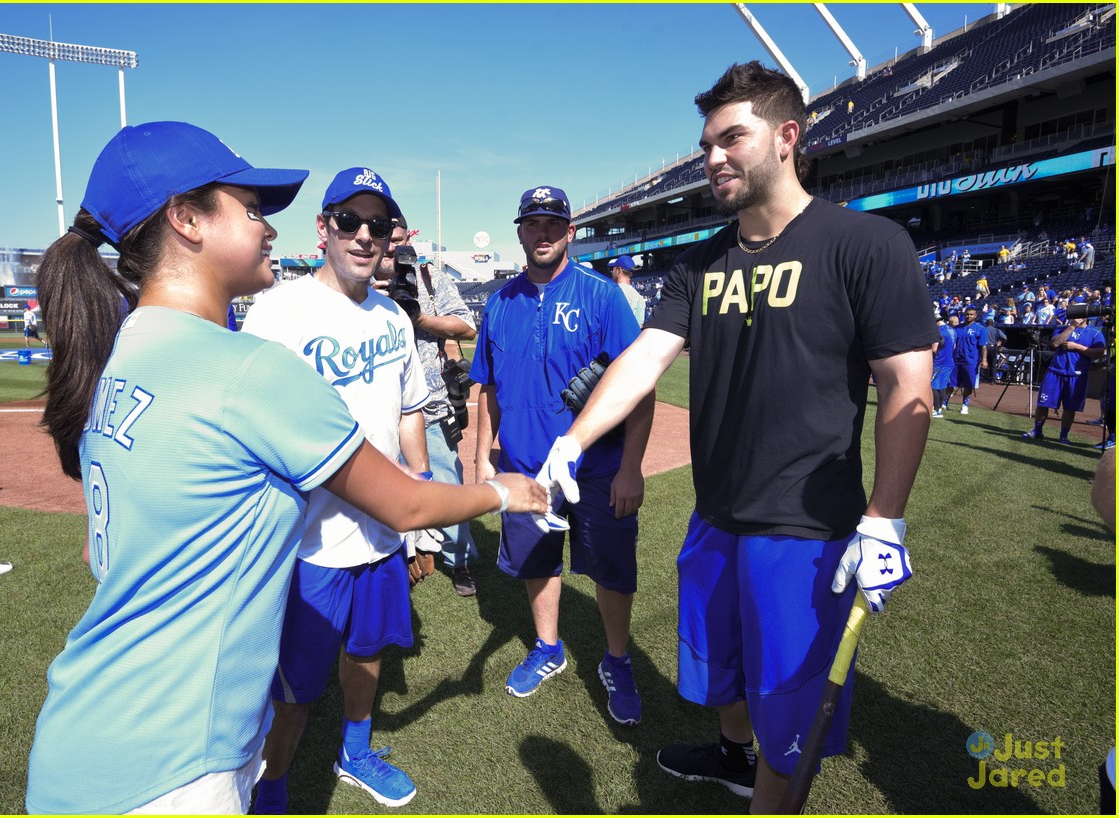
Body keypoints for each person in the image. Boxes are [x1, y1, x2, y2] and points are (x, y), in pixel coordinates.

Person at [25, 123, 546, 815]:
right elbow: (408, 506)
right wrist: (499, 490)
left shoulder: (117, 355)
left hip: (85, 735)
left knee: (361, 654)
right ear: (186, 219)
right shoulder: (247, 366)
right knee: (296, 688)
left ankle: (341, 757)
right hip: (175, 763)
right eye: (249, 206)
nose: (267, 226)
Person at [533, 62, 934, 811]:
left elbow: (909, 388)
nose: (713, 156)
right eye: (706, 143)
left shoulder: (866, 243)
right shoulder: (699, 262)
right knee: (718, 671)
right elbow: (644, 358)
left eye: (731, 137)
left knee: (788, 716)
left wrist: (885, 517)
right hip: (714, 516)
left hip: (805, 530)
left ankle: (767, 782)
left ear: (787, 138)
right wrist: (575, 442)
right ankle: (729, 754)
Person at [239, 167, 437, 810]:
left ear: (392, 238)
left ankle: (355, 751)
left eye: (377, 225)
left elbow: (411, 411)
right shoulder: (280, 310)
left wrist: (423, 504)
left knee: (369, 651)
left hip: (381, 530)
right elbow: (244, 419)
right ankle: (273, 782)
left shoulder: (395, 318)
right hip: (305, 540)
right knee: (294, 684)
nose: (363, 236)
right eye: (348, 221)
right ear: (322, 228)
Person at [471, 185, 655, 725]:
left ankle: (617, 660)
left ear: (570, 232)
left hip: (598, 469)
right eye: (534, 223)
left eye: (555, 223)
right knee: (538, 563)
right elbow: (488, 390)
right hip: (526, 467)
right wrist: (486, 459)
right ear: (521, 231)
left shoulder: (602, 295)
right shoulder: (500, 302)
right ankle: (548, 647)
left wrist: (631, 468)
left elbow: (638, 385)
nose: (544, 232)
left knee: (613, 570)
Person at [373, 224, 482, 597]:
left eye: (401, 241)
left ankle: (460, 558)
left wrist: (418, 317)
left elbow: (466, 326)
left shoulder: (428, 275)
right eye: (387, 241)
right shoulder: (357, 274)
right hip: (373, 411)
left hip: (431, 405)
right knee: (377, 491)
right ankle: (390, 558)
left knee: (448, 483)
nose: (394, 249)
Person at [1020, 315, 1106, 444]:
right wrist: (1072, 326)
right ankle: (1037, 431)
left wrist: (1077, 346)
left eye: (1081, 313)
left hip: (1077, 375)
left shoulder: (1095, 333)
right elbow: (1055, 343)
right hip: (1055, 371)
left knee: (1070, 407)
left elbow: (1101, 352)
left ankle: (1063, 436)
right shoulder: (1062, 328)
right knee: (1044, 403)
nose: (1077, 316)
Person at [948, 306, 988, 414]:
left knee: (968, 384)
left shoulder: (980, 329)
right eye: (967, 314)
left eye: (971, 314)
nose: (968, 316)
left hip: (971, 360)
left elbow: (983, 346)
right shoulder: (957, 328)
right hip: (956, 359)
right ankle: (944, 402)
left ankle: (965, 405)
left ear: (975, 316)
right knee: (950, 383)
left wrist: (984, 359)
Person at [608, 254, 647, 326]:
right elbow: (640, 326)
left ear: (618, 270)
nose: (611, 271)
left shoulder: (612, 292)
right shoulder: (639, 297)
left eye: (613, 268)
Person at [932, 311, 956, 416]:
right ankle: (939, 409)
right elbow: (954, 346)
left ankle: (935, 409)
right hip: (949, 361)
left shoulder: (938, 332)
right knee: (942, 386)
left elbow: (934, 349)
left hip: (938, 361)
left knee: (933, 386)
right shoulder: (952, 330)